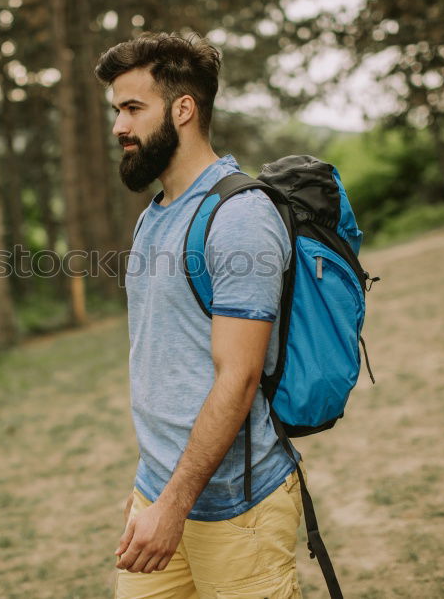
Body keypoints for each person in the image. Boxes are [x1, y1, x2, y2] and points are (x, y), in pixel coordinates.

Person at [94, 32, 304, 599]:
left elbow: (236, 380)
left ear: (183, 109)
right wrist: (152, 487)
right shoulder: (156, 214)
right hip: (161, 494)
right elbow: (167, 362)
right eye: (118, 111)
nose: (119, 127)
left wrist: (173, 502)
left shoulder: (239, 217)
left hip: (240, 509)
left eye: (133, 108)